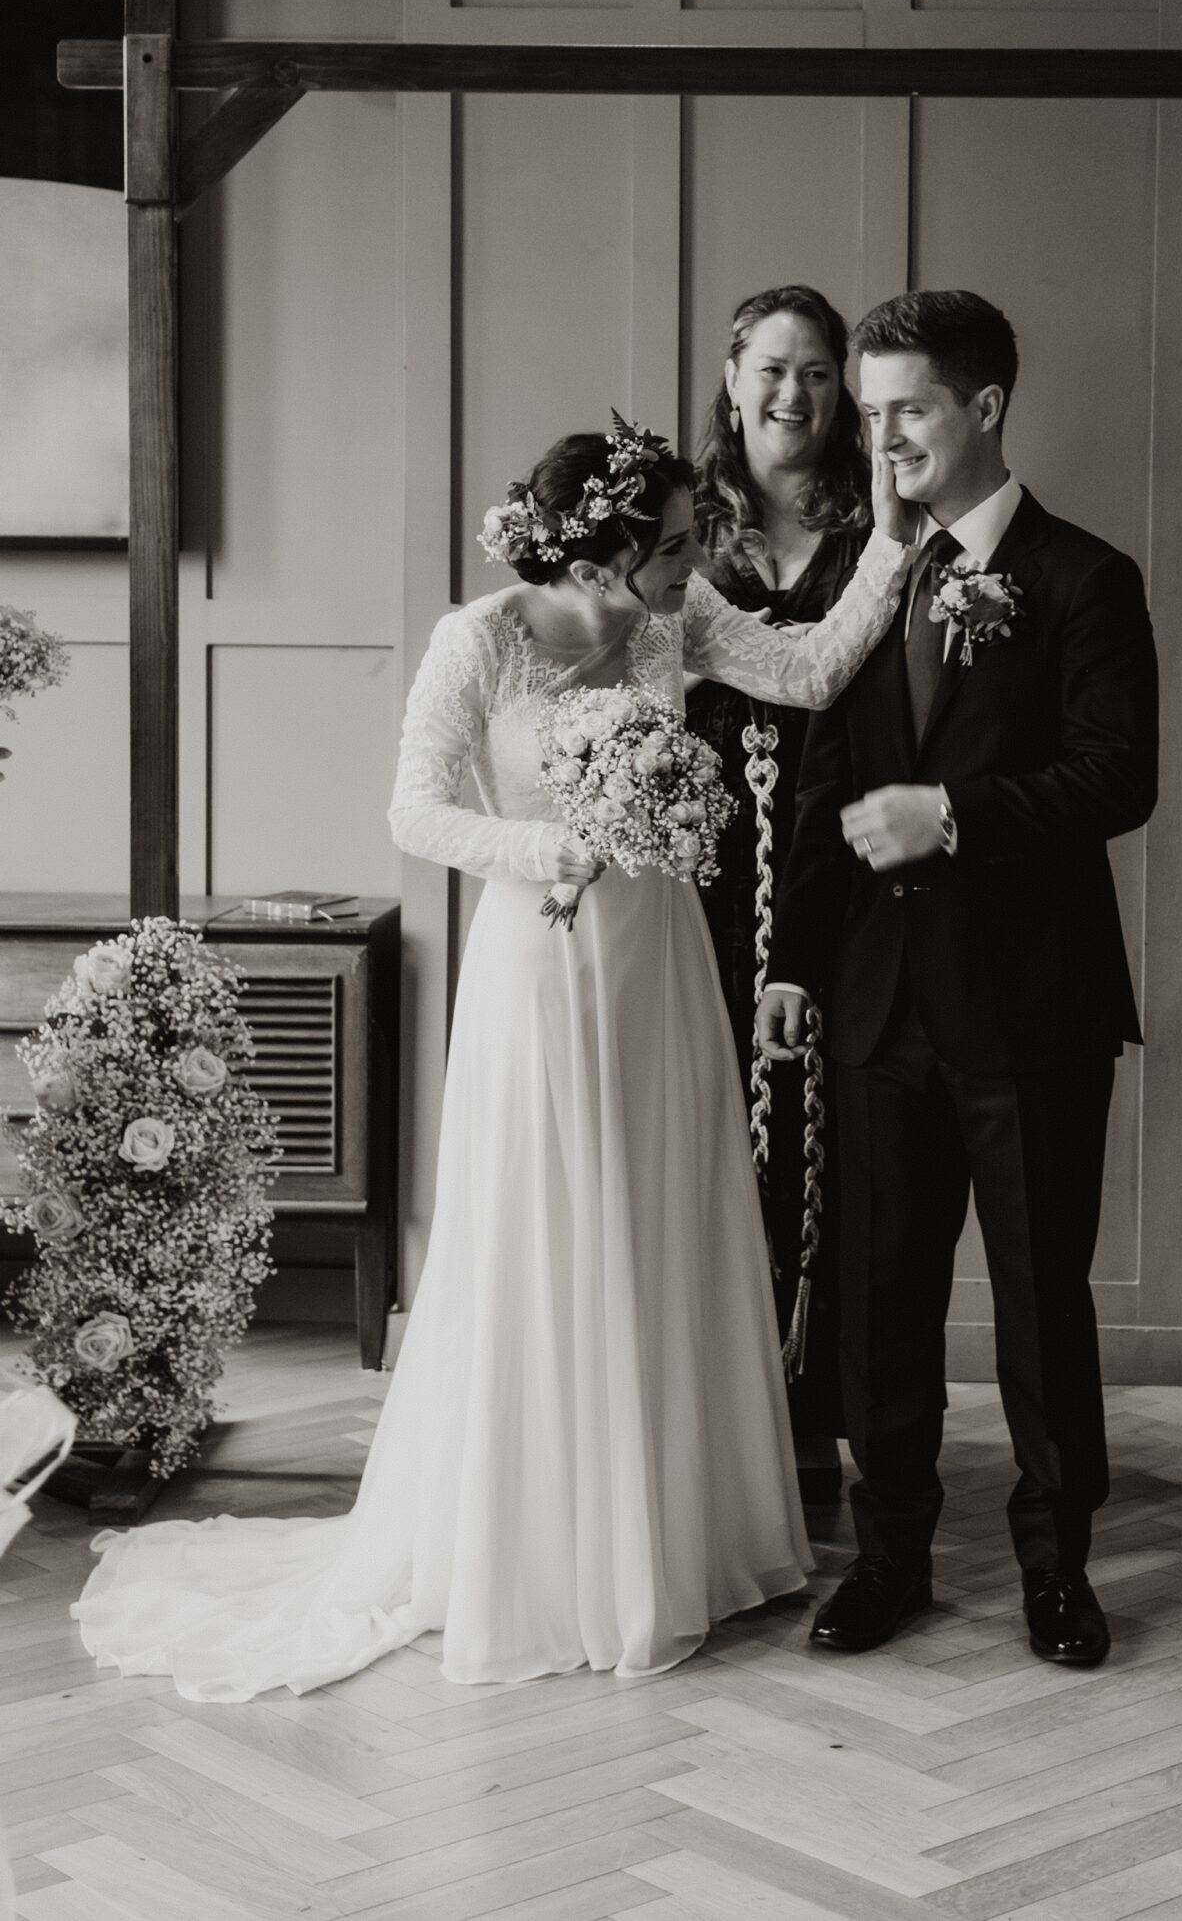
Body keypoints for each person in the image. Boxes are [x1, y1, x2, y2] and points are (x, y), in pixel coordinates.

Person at [73, 416, 917, 1699]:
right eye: (679, 544)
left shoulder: (676, 628)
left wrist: (896, 553)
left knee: (657, 1220)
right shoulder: (478, 640)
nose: (700, 562)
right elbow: (414, 807)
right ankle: (540, 1552)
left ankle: (672, 1538)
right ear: (603, 555)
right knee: (544, 1226)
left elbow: (807, 671)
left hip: (661, 968)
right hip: (538, 964)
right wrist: (545, 851)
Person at [758, 290, 1159, 1669]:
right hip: (873, 1005)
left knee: (1043, 1300)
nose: (881, 442)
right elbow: (821, 786)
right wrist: (795, 964)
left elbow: (1121, 775)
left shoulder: (1088, 580)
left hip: (1032, 1007)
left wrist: (957, 813)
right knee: (882, 1306)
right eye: (867, 415)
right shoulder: (857, 580)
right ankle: (891, 1561)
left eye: (907, 410)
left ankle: (1059, 1570)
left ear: (984, 408)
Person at [690, 285, 874, 1504]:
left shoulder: (882, 525)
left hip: (847, 872)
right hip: (700, 879)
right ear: (731, 370)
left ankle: (817, 1416)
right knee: (704, 1135)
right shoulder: (676, 530)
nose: (792, 395)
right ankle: (706, 1414)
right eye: (772, 367)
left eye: (816, 372)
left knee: (838, 1143)